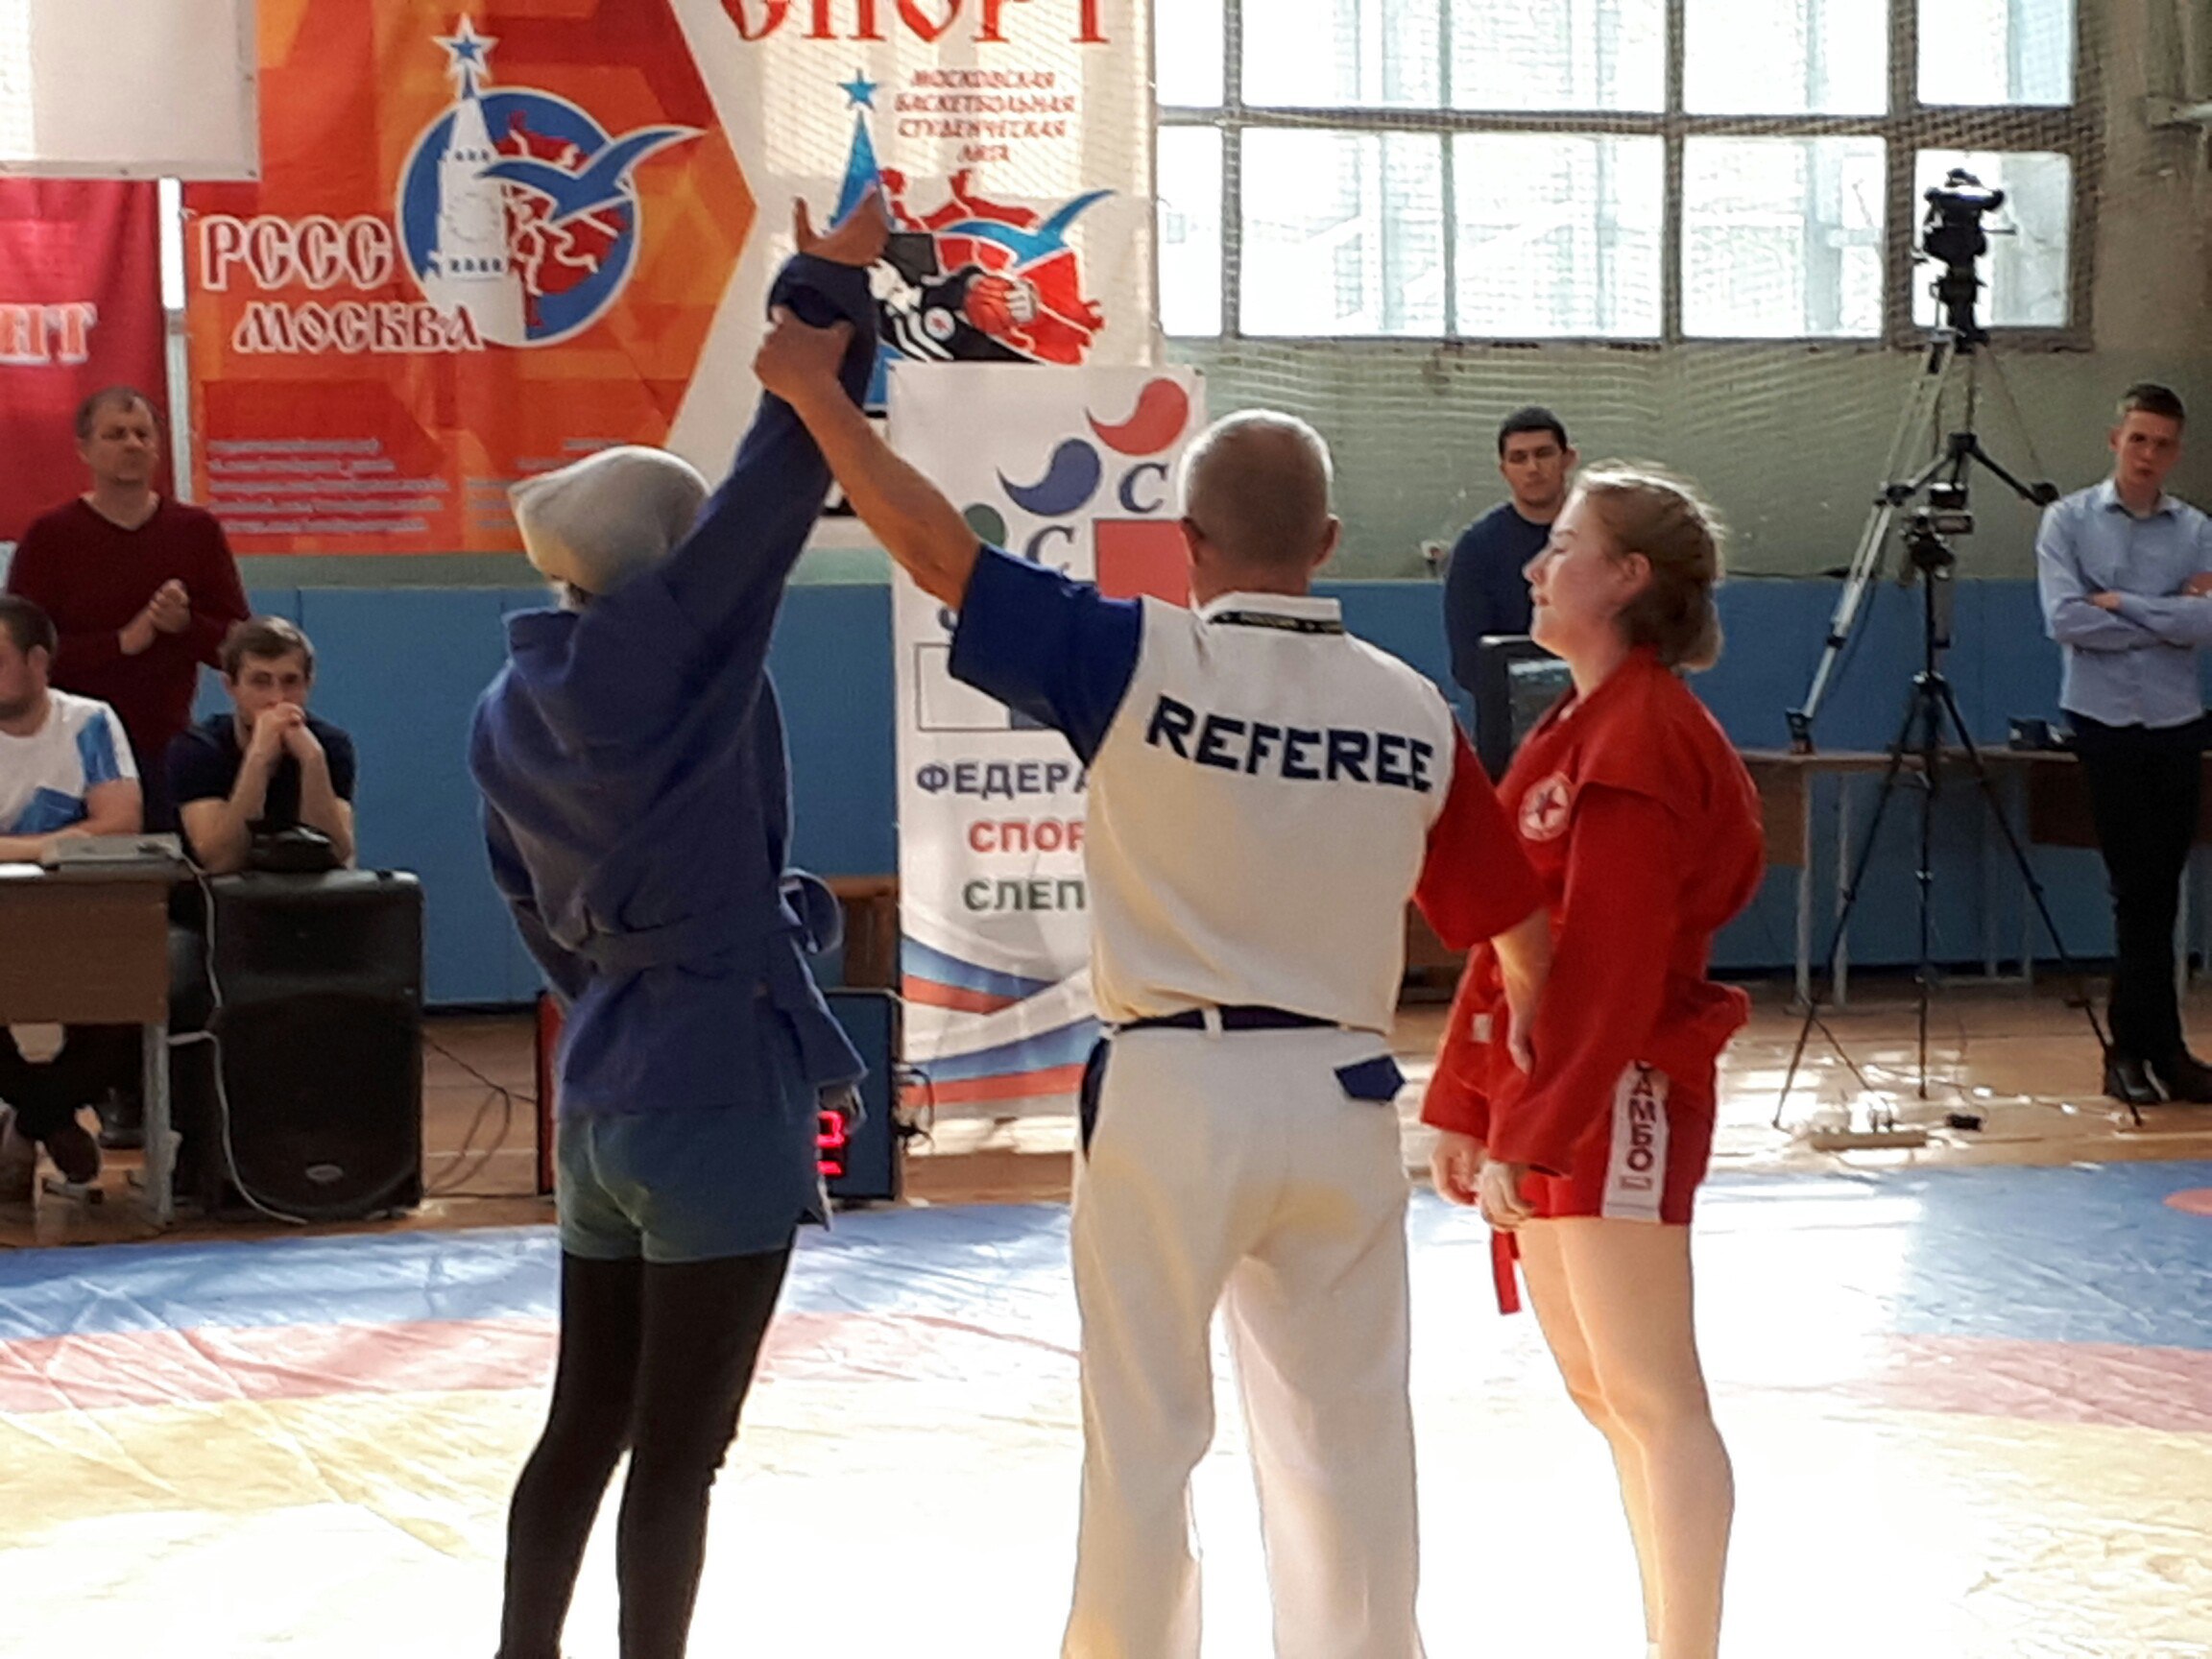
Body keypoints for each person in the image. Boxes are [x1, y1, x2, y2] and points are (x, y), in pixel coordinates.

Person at [754, 318, 1551, 1654]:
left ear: (1186, 543)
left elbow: (939, 551)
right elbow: (1521, 940)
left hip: (1173, 1094)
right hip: (1345, 1095)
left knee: (1143, 1436)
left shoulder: (1135, 656)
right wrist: (1512, 1098)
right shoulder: (1416, 709)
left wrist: (820, 399)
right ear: (1330, 541)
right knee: (1350, 1441)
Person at [472, 199, 883, 1659]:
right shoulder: (670, 651)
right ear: (662, 559)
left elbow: (526, 903)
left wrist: (616, 992)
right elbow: (781, 474)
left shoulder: (508, 701)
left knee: (583, 1425)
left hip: (604, 1092)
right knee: (681, 1453)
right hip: (712, 1081)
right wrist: (829, 286)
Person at [1423, 467, 1763, 1659]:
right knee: (1603, 1392)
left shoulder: (1643, 737)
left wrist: (1528, 1129)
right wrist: (1465, 1102)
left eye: (1562, 546)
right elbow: (1509, 935)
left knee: (1653, 1394)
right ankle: (1668, 1634)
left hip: (1617, 1085)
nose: (1534, 565)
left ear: (1627, 578)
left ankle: (1688, 1648)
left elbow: (1611, 967)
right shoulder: (1574, 726)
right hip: (1562, 1086)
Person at [2035, 383, 2212, 1107]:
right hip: (2103, 721)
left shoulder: (2196, 530)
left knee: (2160, 890)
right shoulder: (2068, 522)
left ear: (2176, 452)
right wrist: (2168, 615)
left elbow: (2206, 627)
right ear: (2116, 440)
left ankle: (2155, 1052)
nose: (2148, 454)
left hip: (2175, 722)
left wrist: (2124, 604)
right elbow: (2066, 620)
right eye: (2138, 439)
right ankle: (2135, 1053)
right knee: (2134, 888)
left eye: (2162, 444)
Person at [5, 386, 250, 831]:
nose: (132, 444)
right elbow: (21, 656)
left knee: (166, 865)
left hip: (164, 744)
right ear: (84, 449)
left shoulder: (196, 532)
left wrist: (185, 625)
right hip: (67, 747)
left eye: (142, 434)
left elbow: (238, 649)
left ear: (158, 447)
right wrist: (119, 644)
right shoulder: (50, 537)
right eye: (116, 434)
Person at [0, 593, 145, 1195]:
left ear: (38, 662)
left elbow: (120, 822)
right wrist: (59, 843)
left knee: (131, 1009)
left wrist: (14, 849)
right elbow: (90, 829)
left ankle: (30, 1118)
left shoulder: (89, 723)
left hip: (83, 918)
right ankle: (51, 1119)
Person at [169, 616, 357, 876]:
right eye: (260, 682)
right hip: (223, 897)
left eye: (290, 682)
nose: (277, 698)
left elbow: (335, 855)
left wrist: (313, 762)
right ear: (231, 686)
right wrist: (258, 758)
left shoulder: (329, 745)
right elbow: (221, 861)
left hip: (307, 893)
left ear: (308, 684)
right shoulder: (198, 748)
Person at [1443, 406, 1577, 704]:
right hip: (1513, 715)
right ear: (1503, 469)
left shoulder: (1604, 536)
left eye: (1543, 454)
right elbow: (1469, 663)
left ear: (1568, 458)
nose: (1533, 468)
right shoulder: (1475, 549)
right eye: (1519, 458)